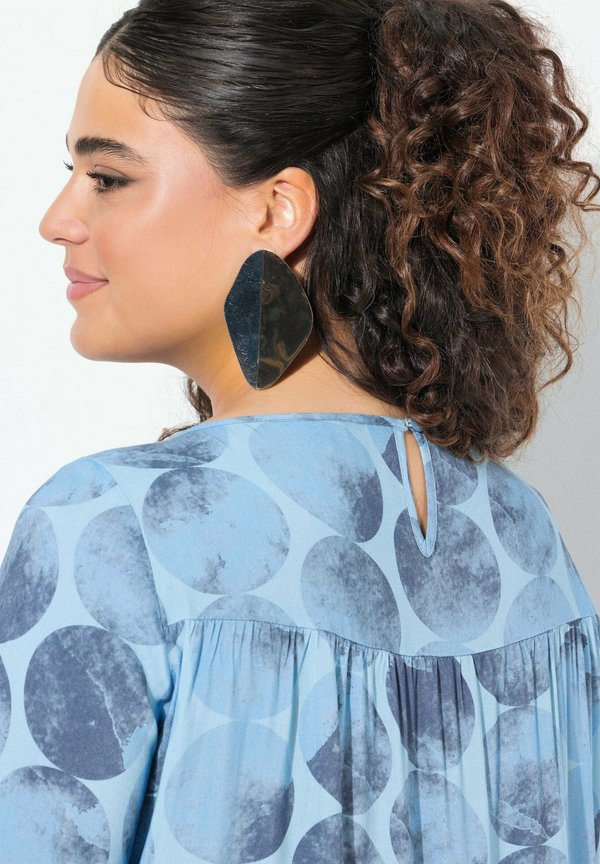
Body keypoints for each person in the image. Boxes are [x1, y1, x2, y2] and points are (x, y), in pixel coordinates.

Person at [1, 0, 599, 860]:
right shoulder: (523, 538)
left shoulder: (110, 526)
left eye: (107, 177)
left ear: (279, 210)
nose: (57, 219)